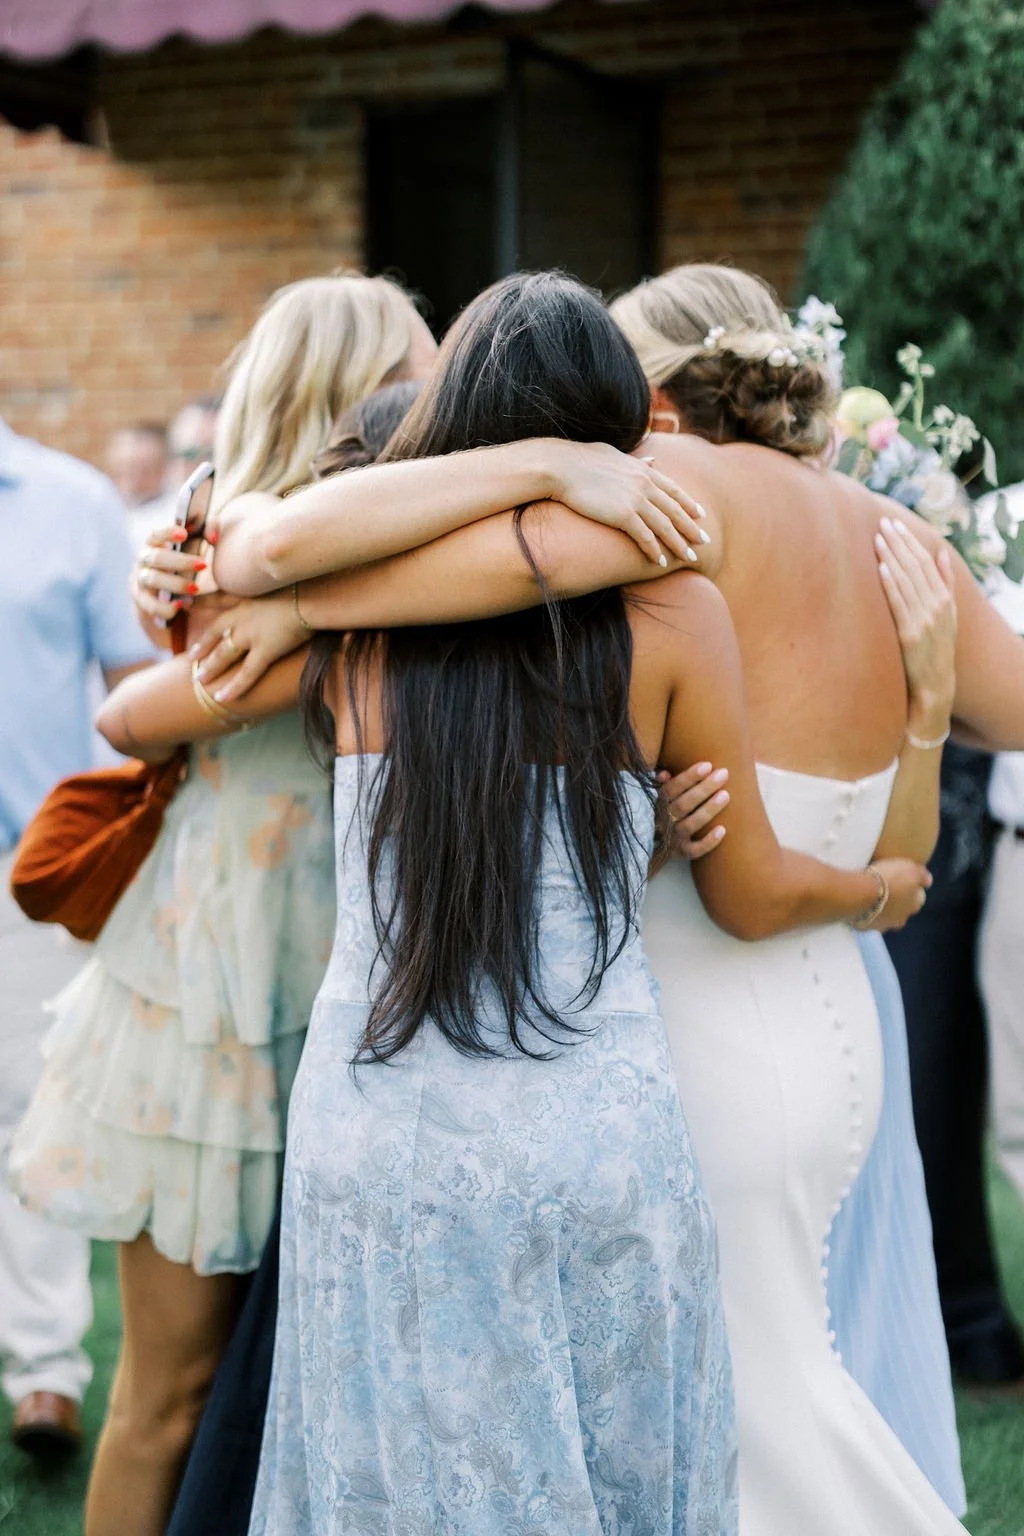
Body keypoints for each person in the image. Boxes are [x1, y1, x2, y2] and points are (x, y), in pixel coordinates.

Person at [175, 264, 1024, 1530]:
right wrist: (901, 755)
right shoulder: (781, 570)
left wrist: (288, 604)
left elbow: (283, 554)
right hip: (716, 1065)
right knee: (696, 1424)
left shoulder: (449, 605)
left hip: (495, 1085)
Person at [6, 273, 439, 1536]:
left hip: (356, 976)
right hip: (221, 992)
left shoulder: (386, 543)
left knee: (321, 1388)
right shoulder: (235, 535)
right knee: (172, 1390)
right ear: (347, 395)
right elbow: (145, 705)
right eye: (414, 375)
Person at [0, 420, 152, 1456]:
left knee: (30, 1112)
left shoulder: (75, 501)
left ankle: (45, 1369)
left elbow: (133, 684)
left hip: (28, 872)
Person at [105, 423, 171, 550]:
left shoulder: (171, 514)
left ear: (162, 469)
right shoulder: (102, 503)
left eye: (143, 469)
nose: (132, 478)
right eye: (123, 467)